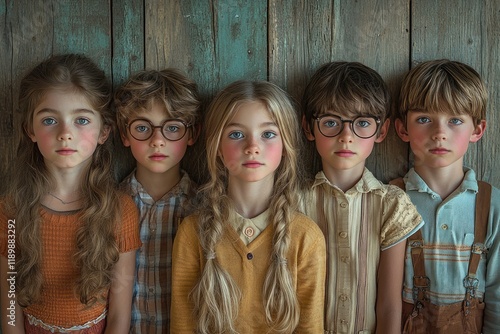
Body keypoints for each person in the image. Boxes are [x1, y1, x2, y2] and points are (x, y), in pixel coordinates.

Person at [170, 80, 326, 333]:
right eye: (236, 134)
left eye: (268, 134)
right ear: (217, 147)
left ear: (286, 146)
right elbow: (182, 325)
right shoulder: (192, 233)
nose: (253, 147)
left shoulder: (306, 237)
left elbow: (310, 327)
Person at [0, 54, 141, 333]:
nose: (66, 133)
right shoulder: (11, 211)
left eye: (82, 120)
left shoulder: (120, 211)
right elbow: (9, 308)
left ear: (104, 131)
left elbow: (119, 316)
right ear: (30, 129)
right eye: (50, 120)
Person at [300, 61, 423, 334]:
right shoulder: (294, 202)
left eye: (362, 123)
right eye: (331, 122)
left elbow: (390, 304)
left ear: (381, 131)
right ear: (309, 128)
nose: (346, 136)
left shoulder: (391, 204)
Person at [394, 59, 500, 333]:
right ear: (403, 129)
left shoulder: (492, 205)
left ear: (477, 130)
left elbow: (497, 293)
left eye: (455, 120)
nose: (439, 133)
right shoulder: (390, 198)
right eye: (424, 119)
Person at [114, 69, 201, 333]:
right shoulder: (107, 207)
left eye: (172, 128)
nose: (158, 140)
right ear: (124, 135)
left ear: (192, 134)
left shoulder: (205, 207)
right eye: (142, 128)